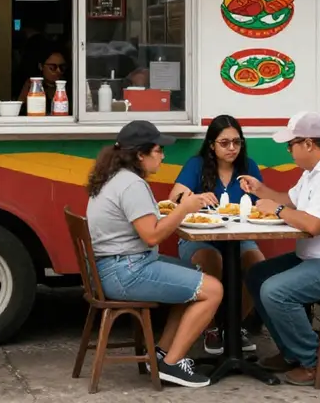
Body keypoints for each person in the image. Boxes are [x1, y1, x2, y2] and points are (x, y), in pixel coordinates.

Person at [87, 120, 223, 388]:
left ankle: (160, 354)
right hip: (126, 271)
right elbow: (151, 235)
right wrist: (184, 208)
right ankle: (172, 365)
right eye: (159, 150)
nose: (163, 156)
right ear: (140, 154)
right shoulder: (132, 184)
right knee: (214, 289)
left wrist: (174, 209)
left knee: (193, 276)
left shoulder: (113, 178)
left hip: (113, 267)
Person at [242, 112, 320, 386]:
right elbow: (290, 201)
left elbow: (314, 224)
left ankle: (318, 361)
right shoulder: (315, 171)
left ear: (308, 143)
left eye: (290, 144)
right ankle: (292, 352)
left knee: (276, 291)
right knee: (257, 275)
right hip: (316, 256)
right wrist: (262, 190)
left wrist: (278, 210)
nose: (288, 151)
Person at [169, 115, 265, 356]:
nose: (232, 148)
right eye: (224, 143)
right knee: (212, 262)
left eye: (237, 142)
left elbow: (262, 204)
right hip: (201, 238)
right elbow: (173, 199)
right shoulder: (197, 165)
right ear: (211, 144)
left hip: (240, 237)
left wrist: (257, 195)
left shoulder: (248, 167)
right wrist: (194, 199)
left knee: (259, 267)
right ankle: (210, 328)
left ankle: (233, 327)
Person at [17, 42, 72, 114]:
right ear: (41, 66)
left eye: (62, 67)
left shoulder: (70, 86)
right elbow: (20, 109)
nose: (58, 71)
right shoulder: (33, 85)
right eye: (52, 67)